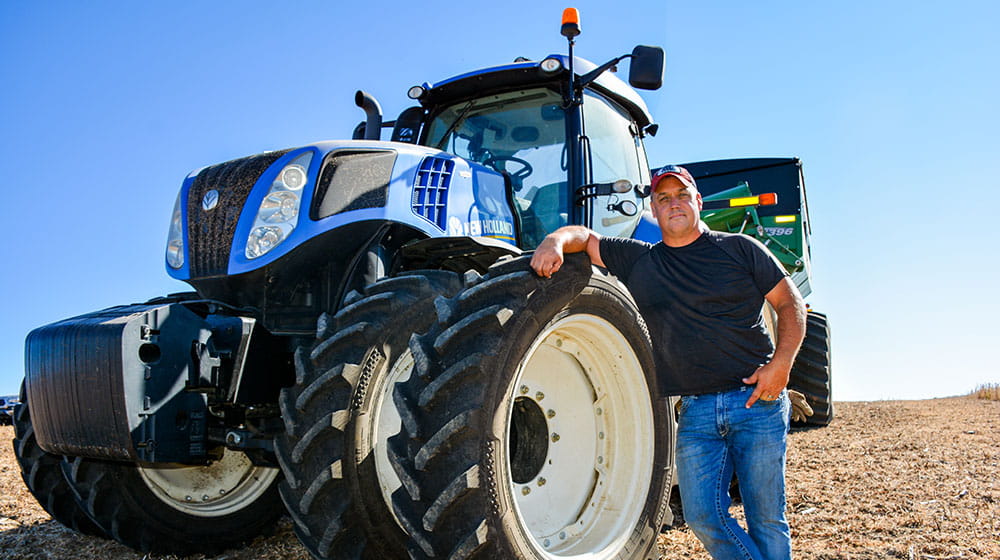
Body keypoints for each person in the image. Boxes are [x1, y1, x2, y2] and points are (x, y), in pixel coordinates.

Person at [529, 165, 806, 560]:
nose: (673, 203)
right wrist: (555, 240)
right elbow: (586, 238)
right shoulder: (641, 261)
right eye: (663, 198)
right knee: (702, 517)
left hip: (756, 403)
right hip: (694, 411)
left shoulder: (740, 248)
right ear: (653, 212)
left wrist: (781, 366)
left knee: (767, 519)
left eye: (681, 196)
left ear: (699, 202)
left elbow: (789, 303)